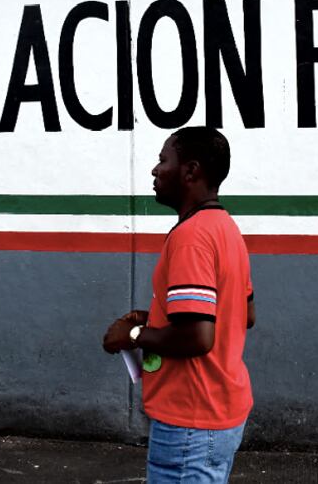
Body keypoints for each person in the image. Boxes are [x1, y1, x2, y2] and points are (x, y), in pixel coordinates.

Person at [103, 126, 255, 483]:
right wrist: (157, 316)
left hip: (190, 421)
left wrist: (133, 335)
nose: (155, 170)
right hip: (219, 414)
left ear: (190, 171)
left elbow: (197, 337)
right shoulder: (225, 228)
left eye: (163, 160)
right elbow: (243, 313)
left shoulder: (191, 237)